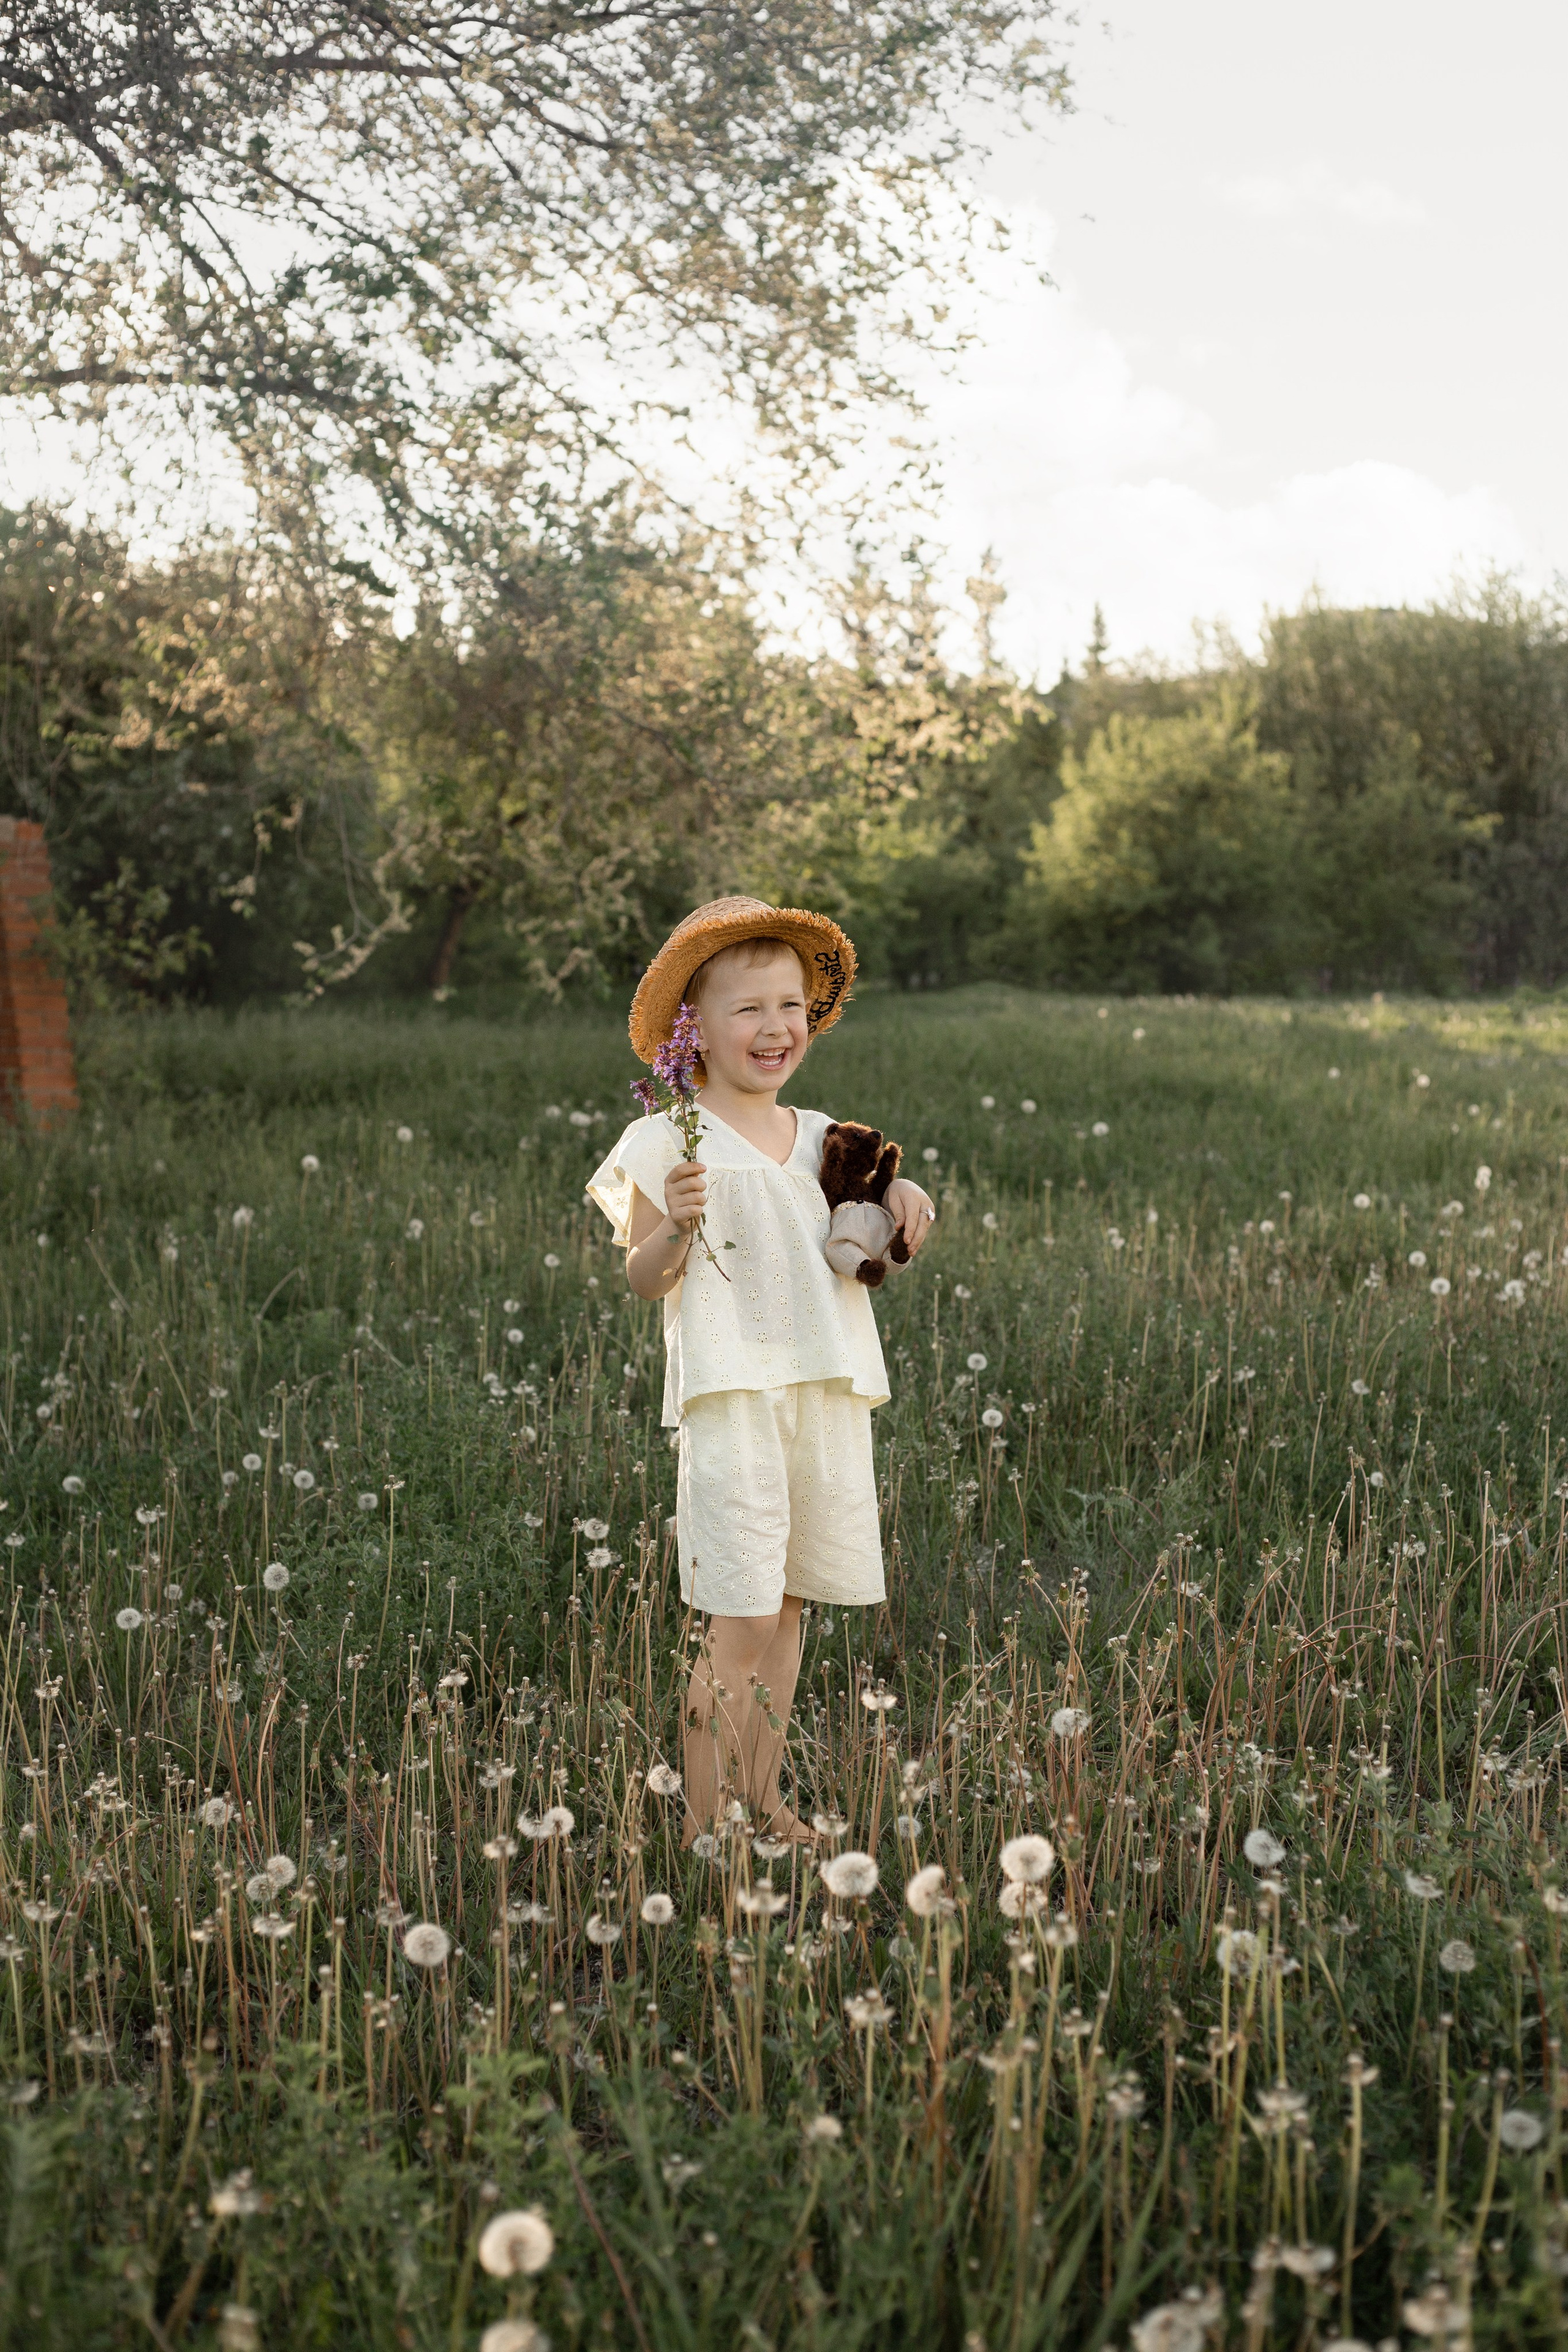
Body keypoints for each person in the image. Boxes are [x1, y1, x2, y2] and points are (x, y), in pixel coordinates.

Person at [587, 896, 935, 1843]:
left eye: (791, 1005)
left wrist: (906, 1197)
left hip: (822, 1395)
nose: (776, 1026)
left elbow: (873, 1235)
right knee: (738, 1621)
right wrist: (678, 1225)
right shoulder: (667, 1142)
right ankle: (707, 1826)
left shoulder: (826, 1139)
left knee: (786, 1615)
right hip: (734, 1401)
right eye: (749, 1008)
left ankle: (765, 1799)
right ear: (694, 1028)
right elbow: (642, 1279)